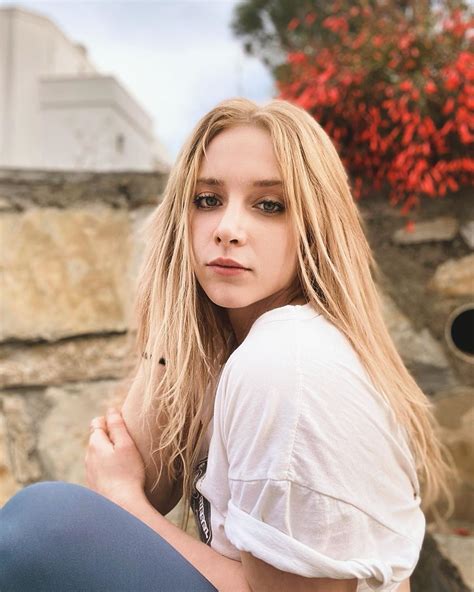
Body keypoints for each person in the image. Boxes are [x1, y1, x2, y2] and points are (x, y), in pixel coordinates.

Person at [0, 98, 454, 592]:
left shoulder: (285, 361)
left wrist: (120, 493)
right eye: (207, 200)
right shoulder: (246, 342)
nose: (227, 230)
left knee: (41, 524)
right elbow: (152, 480)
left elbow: (128, 502)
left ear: (315, 227)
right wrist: (177, 307)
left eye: (269, 205)